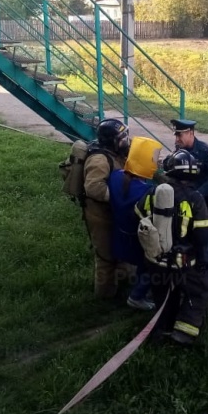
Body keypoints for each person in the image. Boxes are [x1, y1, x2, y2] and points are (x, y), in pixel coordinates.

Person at [135, 149, 208, 346]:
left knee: (162, 297)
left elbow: (138, 215)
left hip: (155, 260)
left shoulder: (154, 192)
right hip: (185, 263)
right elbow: (203, 235)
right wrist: (202, 259)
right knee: (201, 290)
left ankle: (162, 330)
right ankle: (185, 331)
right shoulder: (195, 198)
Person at [108, 136, 163, 311]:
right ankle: (137, 296)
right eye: (153, 159)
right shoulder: (147, 191)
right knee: (152, 263)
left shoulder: (115, 177)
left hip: (118, 237)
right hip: (136, 242)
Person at [170, 118, 208, 287]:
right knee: (187, 237)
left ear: (190, 133)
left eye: (179, 135)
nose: (177, 139)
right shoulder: (179, 150)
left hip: (207, 199)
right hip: (187, 200)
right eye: (176, 135)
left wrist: (199, 193)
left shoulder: (205, 151)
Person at [83, 118, 130, 299]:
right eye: (122, 137)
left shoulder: (115, 153)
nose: (126, 140)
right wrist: (119, 198)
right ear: (112, 140)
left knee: (119, 250)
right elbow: (93, 187)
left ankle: (122, 284)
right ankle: (105, 296)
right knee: (106, 257)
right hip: (100, 216)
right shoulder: (99, 159)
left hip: (113, 213)